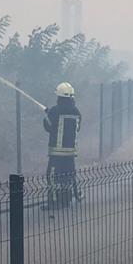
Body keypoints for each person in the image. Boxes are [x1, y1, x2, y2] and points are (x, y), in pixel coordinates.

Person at [43, 82, 83, 211]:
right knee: (68, 176)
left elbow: (48, 126)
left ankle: (54, 202)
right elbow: (78, 128)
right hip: (70, 153)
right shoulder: (77, 112)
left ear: (59, 97)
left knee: (53, 178)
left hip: (57, 153)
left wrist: (47, 114)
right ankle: (66, 200)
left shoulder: (55, 111)